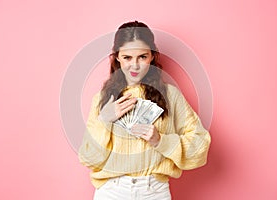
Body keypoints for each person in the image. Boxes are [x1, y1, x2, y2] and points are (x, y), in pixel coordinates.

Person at [78, 21, 211, 200]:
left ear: (152, 56)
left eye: (142, 56)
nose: (135, 65)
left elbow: (200, 145)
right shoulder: (103, 99)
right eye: (127, 57)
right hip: (112, 191)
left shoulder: (170, 96)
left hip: (154, 191)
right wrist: (104, 121)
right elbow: (88, 158)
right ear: (117, 57)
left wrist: (161, 141)